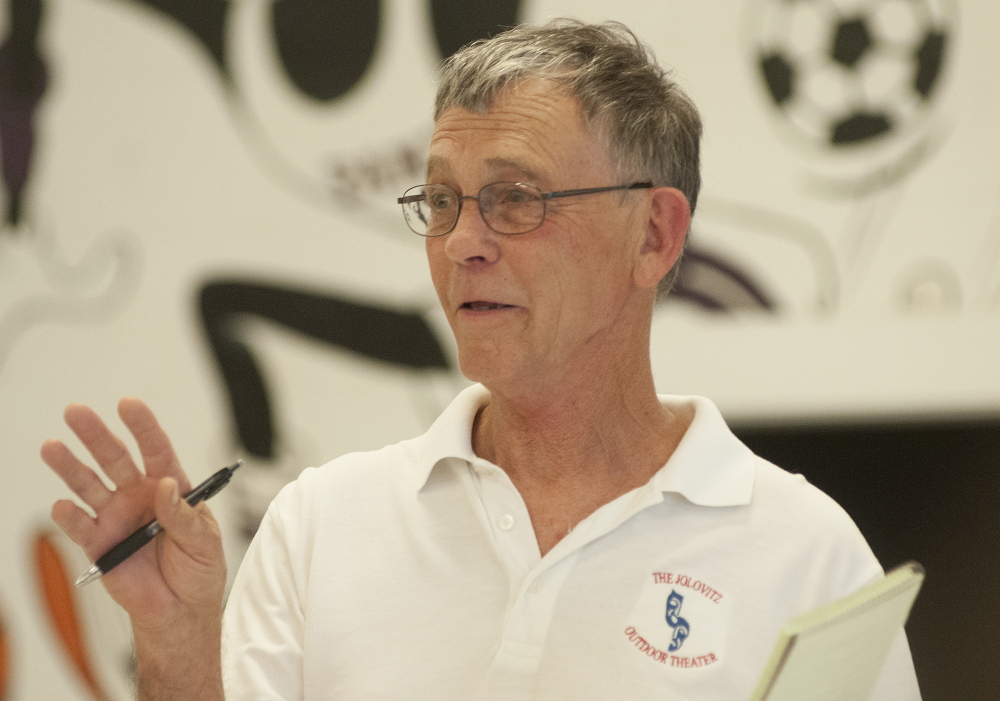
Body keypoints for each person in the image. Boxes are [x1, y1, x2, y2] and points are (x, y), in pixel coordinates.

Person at [42, 19, 920, 701]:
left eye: (514, 199)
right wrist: (178, 639)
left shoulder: (805, 554)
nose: (462, 243)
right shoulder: (320, 525)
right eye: (443, 200)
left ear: (653, 234)